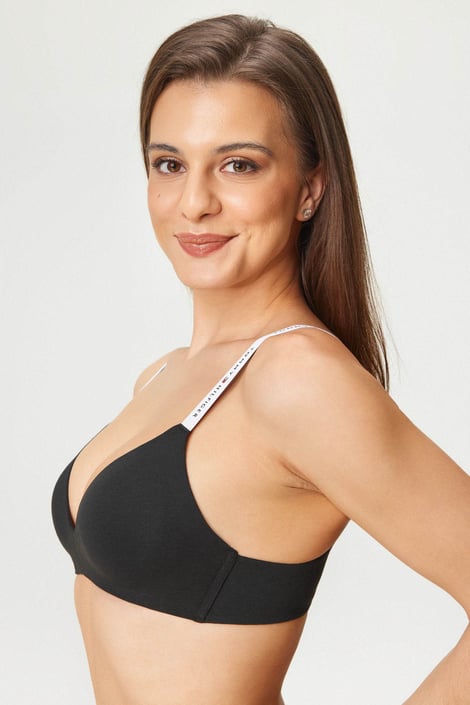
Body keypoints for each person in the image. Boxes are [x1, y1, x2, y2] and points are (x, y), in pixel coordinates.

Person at [51, 14, 470, 705]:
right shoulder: (164, 375)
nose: (195, 203)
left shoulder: (296, 378)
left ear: (309, 188)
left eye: (238, 165)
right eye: (169, 164)